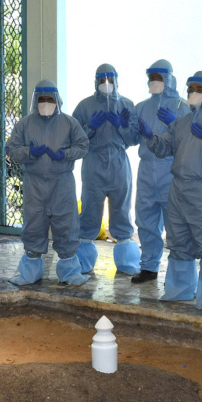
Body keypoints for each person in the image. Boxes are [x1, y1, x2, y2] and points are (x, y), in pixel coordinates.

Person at [138, 71, 202, 309]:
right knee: (179, 239)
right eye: (190, 88)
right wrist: (149, 135)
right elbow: (165, 147)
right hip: (178, 188)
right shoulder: (181, 123)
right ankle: (180, 290)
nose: (192, 93)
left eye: (199, 89)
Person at [6, 80, 90, 286]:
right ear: (35, 100)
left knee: (66, 223)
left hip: (62, 183)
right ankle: (30, 272)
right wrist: (28, 153)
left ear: (57, 100)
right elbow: (11, 149)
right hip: (34, 184)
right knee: (34, 223)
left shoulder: (69, 123)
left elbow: (83, 145)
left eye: (49, 99)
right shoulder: (24, 124)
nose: (45, 103)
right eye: (41, 99)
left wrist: (65, 154)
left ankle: (70, 272)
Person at [71, 64, 140, 276]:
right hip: (93, 163)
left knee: (122, 209)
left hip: (119, 163)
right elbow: (74, 139)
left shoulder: (127, 105)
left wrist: (123, 125)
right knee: (90, 210)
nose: (106, 84)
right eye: (102, 80)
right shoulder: (84, 106)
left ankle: (127, 261)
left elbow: (134, 139)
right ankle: (83, 261)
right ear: (95, 81)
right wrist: (90, 127)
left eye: (110, 79)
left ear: (117, 80)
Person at [127, 59, 191, 284]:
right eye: (151, 77)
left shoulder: (183, 107)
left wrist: (177, 124)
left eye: (158, 77)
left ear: (170, 79)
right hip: (146, 169)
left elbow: (189, 142)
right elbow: (131, 139)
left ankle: (178, 269)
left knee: (175, 221)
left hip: (171, 169)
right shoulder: (141, 107)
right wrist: (127, 127)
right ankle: (149, 267)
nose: (154, 81)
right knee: (145, 219)